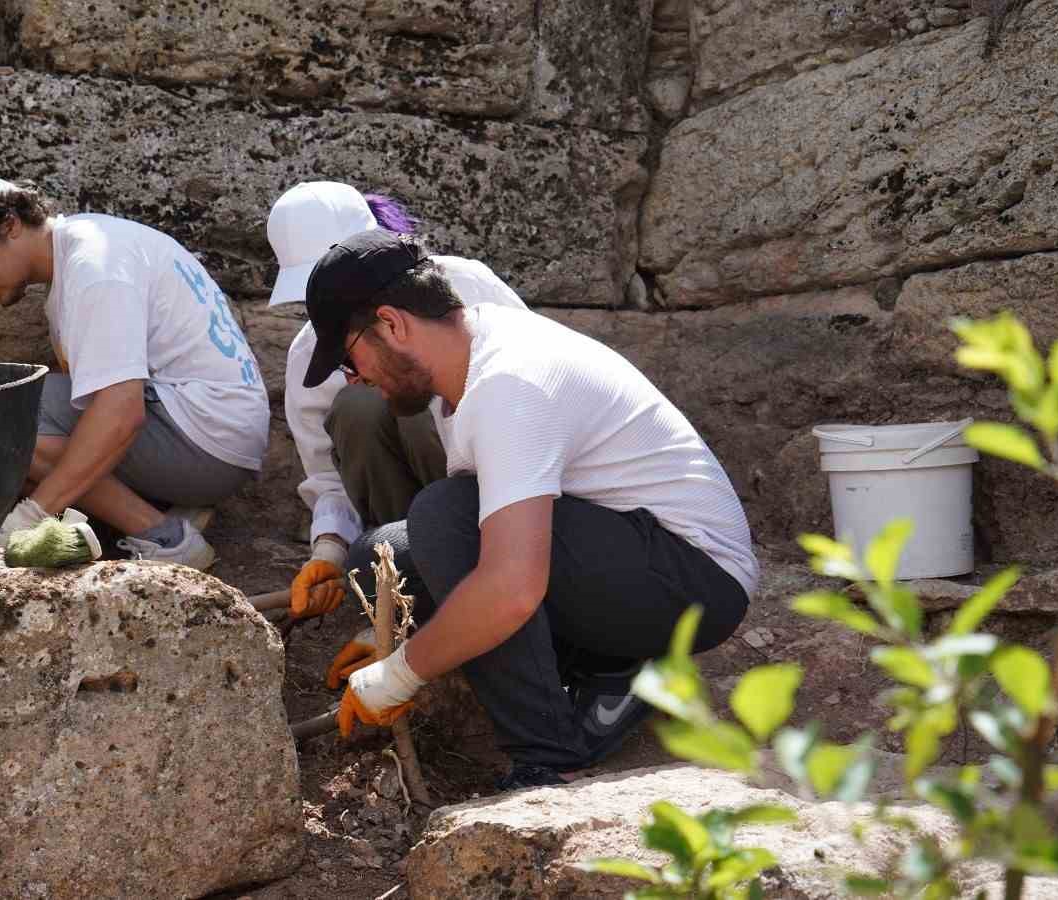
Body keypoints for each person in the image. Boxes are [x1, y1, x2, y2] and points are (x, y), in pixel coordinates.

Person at [302, 230, 758, 791]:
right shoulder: (467, 363)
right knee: (383, 555)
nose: (358, 380)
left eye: (351, 360)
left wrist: (399, 673)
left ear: (392, 325)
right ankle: (615, 672)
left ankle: (546, 755)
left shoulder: (508, 383)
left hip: (693, 580)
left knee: (446, 516)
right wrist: (391, 627)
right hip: (630, 554)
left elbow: (510, 586)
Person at [0, 167, 268, 570]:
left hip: (207, 439)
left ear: (9, 223)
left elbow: (121, 412)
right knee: (15, 430)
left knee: (0, 416)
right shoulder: (83, 253)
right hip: (208, 430)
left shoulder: (95, 266)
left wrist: (28, 519)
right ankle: (169, 514)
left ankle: (165, 538)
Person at [264, 182, 527, 619]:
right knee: (359, 408)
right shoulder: (310, 354)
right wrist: (328, 551)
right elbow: (329, 477)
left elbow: (531, 393)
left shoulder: (466, 286)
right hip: (411, 523)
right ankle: (414, 592)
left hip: (507, 501)